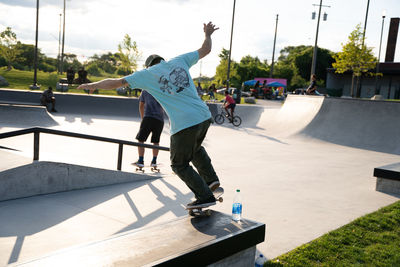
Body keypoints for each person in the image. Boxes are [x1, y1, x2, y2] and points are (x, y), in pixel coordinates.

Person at [78, 22, 220, 208]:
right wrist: (208, 33)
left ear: (148, 65)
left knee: (179, 164)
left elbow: (116, 82)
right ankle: (211, 180)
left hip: (184, 123)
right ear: (162, 60)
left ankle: (205, 195)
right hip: (204, 116)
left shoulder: (145, 74)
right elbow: (206, 49)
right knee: (194, 148)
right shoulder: (179, 60)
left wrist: (93, 85)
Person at [134, 89, 165, 168]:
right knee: (156, 141)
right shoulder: (162, 90)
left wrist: (142, 118)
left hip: (148, 117)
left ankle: (141, 160)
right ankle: (154, 161)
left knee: (141, 140)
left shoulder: (145, 90)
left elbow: (141, 105)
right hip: (160, 120)